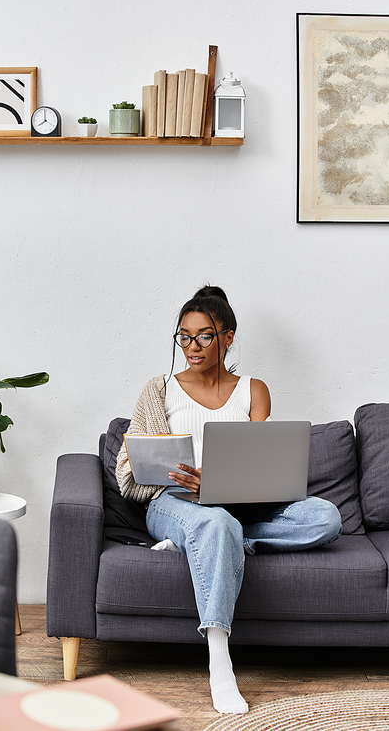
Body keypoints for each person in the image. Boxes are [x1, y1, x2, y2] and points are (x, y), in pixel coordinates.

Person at [116, 286, 342, 715]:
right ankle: (220, 660)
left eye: (204, 336)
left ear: (228, 337)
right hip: (175, 502)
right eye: (183, 336)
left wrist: (220, 486)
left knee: (326, 517)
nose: (192, 347)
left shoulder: (253, 390)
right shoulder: (159, 389)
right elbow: (129, 467)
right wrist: (181, 475)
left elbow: (262, 465)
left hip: (242, 505)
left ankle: (214, 545)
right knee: (216, 523)